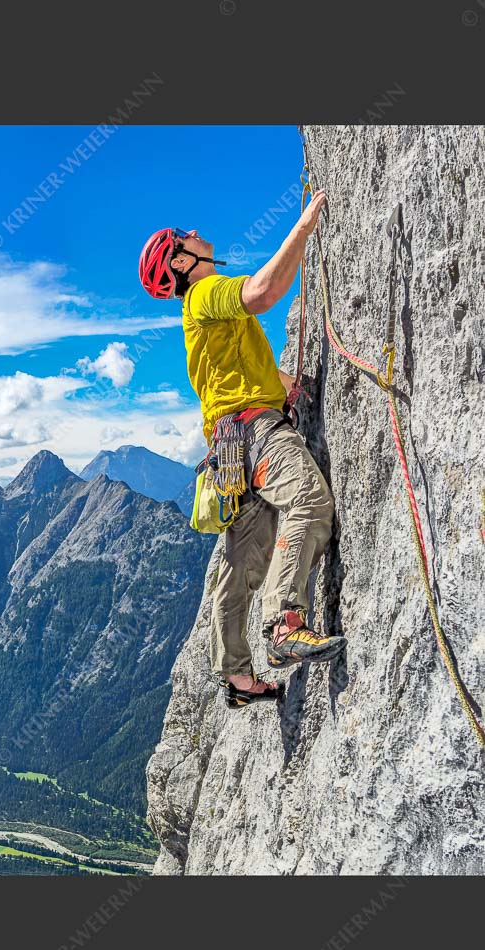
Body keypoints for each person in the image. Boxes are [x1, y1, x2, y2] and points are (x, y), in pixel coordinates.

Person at [138, 191, 345, 709]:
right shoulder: (205, 295)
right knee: (308, 502)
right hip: (256, 433)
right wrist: (302, 230)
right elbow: (261, 292)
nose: (193, 232)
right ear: (183, 262)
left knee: (240, 562)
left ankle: (236, 675)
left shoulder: (205, 320)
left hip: (231, 452)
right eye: (182, 236)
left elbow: (247, 371)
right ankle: (286, 622)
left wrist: (292, 386)